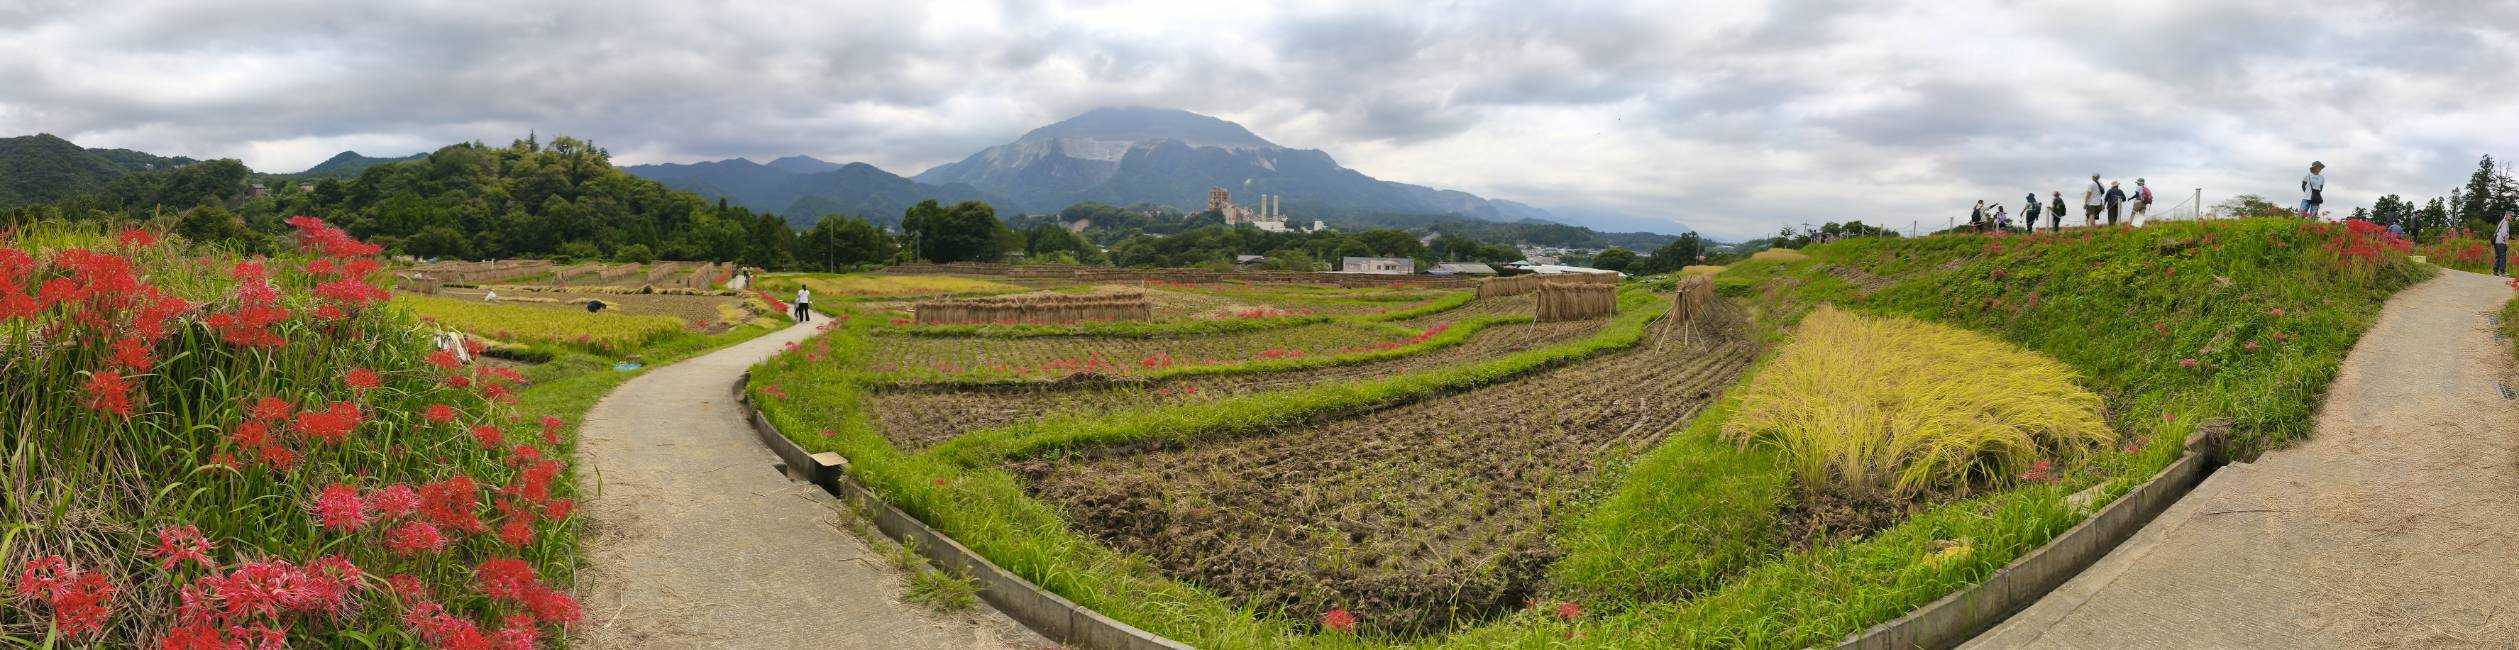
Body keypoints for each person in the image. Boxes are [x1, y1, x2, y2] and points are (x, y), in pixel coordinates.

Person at [2496, 211, 2511, 277]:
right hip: (2501, 242)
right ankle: (2502, 272)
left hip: (2497, 241)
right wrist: (2506, 242)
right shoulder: (2505, 222)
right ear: (2507, 216)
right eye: (2510, 216)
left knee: (2498, 257)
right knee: (2502, 257)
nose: (2511, 217)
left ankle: (2495, 271)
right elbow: (2504, 233)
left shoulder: (2502, 222)